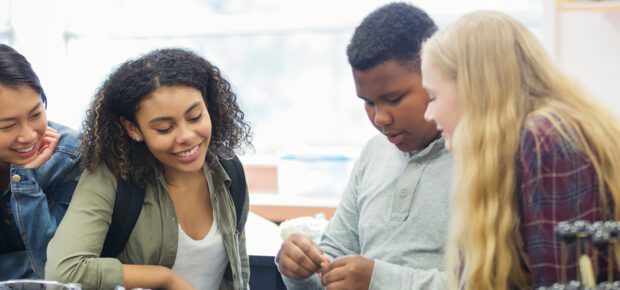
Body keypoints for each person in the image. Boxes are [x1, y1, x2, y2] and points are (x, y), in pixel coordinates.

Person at [421, 10, 620, 290]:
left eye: (433, 96)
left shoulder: (548, 139)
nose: (429, 114)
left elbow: (560, 281)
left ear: (473, 89)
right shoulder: (520, 144)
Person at [277, 3, 453, 290]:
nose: (380, 118)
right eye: (368, 103)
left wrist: (377, 280)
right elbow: (333, 260)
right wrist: (300, 270)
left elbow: (492, 283)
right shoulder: (375, 152)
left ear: (436, 76)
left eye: (394, 99)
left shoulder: (481, 160)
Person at [45, 48, 252, 290]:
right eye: (165, 128)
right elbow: (63, 272)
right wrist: (166, 279)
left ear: (207, 105)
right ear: (133, 129)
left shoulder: (227, 170)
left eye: (195, 117)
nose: (186, 136)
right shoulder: (111, 177)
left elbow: (239, 274)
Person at [0, 44, 82, 279]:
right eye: (7, 126)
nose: (28, 135)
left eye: (36, 114)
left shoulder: (69, 155)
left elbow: (56, 268)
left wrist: (25, 180)